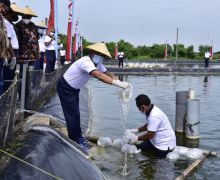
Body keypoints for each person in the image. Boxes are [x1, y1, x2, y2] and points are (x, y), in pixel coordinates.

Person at [57, 42, 129, 150]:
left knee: (76, 114)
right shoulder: (86, 61)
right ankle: (75, 141)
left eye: (102, 55)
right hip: (66, 88)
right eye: (99, 54)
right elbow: (99, 75)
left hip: (74, 89)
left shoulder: (97, 63)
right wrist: (118, 84)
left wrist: (119, 81)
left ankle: (78, 137)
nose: (101, 57)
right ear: (92, 53)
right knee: (73, 115)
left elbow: (107, 73)